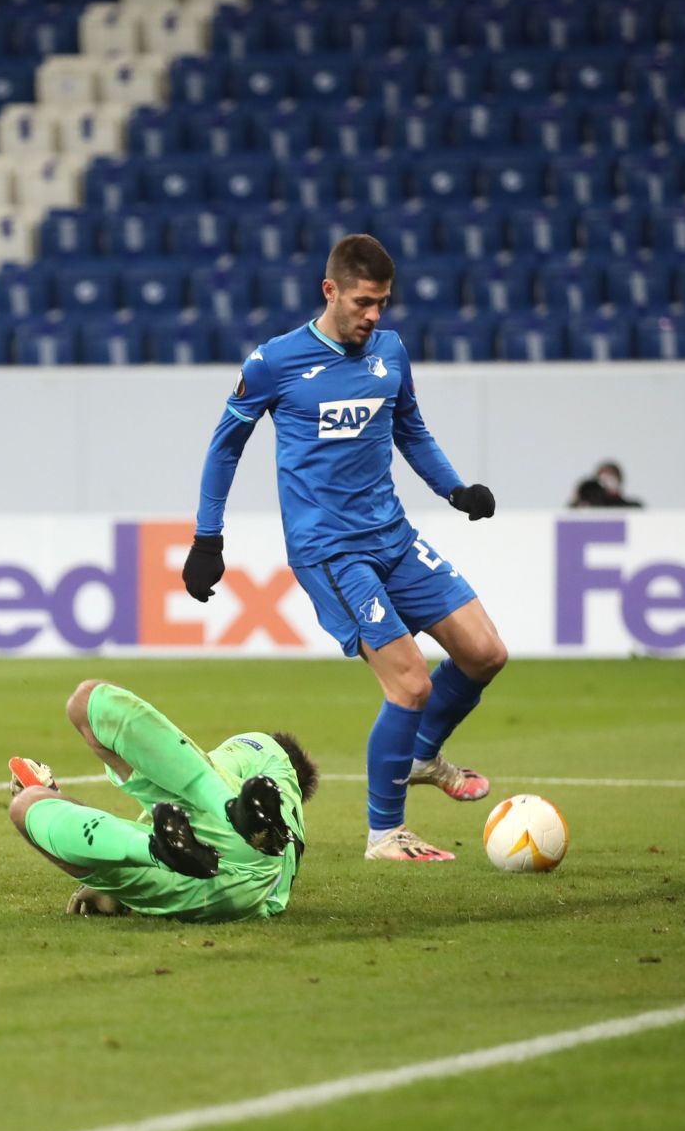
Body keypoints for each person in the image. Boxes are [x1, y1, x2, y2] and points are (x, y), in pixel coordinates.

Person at [183, 234, 508, 864]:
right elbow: (225, 447)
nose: (374, 316)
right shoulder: (275, 362)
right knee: (410, 683)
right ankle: (385, 833)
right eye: (364, 301)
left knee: (485, 652)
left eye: (383, 303)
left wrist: (455, 490)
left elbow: (410, 428)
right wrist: (206, 537)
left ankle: (419, 756)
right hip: (332, 552)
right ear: (330, 290)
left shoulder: (389, 351)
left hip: (394, 537)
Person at [7, 680, 318, 923]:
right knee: (30, 806)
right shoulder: (288, 829)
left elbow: (193, 769)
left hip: (226, 859)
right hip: (237, 899)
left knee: (84, 703)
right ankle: (161, 849)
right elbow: (175, 818)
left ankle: (187, 832)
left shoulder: (271, 752)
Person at [570, 460, 644, 508]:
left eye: (610, 479)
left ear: (619, 481)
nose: (605, 484)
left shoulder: (632, 507)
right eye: (602, 480)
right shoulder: (589, 507)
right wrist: (580, 499)